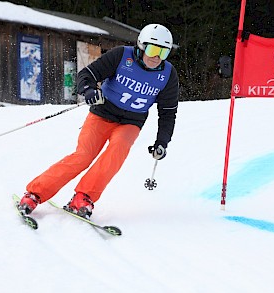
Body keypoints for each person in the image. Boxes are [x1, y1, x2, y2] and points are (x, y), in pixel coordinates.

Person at [18, 23, 179, 219]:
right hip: (102, 113)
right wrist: (89, 90)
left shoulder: (168, 75)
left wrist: (162, 142)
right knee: (83, 156)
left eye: (163, 53)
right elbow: (87, 75)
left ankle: (83, 197)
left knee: (116, 153)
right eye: (153, 50)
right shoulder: (122, 56)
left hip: (131, 122)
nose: (156, 57)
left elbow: (168, 112)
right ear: (141, 46)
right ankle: (35, 193)